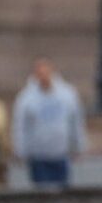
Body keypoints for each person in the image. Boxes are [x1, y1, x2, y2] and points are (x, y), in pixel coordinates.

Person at [12, 57, 87, 186]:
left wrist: (77, 145)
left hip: (60, 154)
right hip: (38, 157)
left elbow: (75, 121)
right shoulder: (26, 98)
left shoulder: (67, 94)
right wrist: (21, 150)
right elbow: (21, 126)